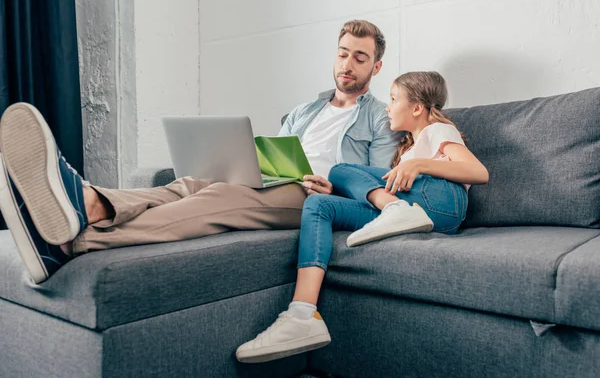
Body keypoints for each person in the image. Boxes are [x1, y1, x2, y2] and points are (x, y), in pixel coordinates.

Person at [0, 20, 402, 284]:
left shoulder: (381, 118)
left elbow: (374, 183)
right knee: (189, 183)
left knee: (221, 197)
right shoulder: (304, 110)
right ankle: (89, 203)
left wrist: (331, 188)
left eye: (360, 57)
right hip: (282, 182)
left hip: (318, 200)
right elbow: (280, 155)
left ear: (376, 67)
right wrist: (249, 163)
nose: (348, 64)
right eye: (343, 53)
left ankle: (75, 243)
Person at [235, 71, 489, 363]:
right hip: (420, 211)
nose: (387, 107)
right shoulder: (407, 151)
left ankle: (394, 209)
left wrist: (420, 164)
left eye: (394, 100)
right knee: (319, 204)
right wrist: (339, 191)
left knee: (341, 169)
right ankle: (302, 314)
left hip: (444, 202)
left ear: (418, 108)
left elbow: (479, 173)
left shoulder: (437, 131)